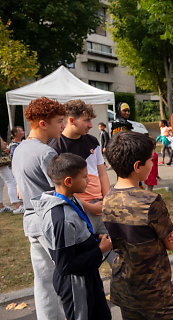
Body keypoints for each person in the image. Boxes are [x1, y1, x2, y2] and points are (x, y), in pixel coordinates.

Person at [103, 131, 173, 320]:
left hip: (124, 289)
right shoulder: (150, 201)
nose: (152, 164)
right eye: (150, 160)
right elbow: (171, 243)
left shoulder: (108, 198)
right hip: (155, 292)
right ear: (138, 166)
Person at [32, 153, 112, 320]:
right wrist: (99, 251)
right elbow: (65, 266)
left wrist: (95, 239)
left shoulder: (72, 200)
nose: (89, 181)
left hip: (88, 275)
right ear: (68, 181)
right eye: (84, 177)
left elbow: (77, 239)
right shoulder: (61, 219)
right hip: (76, 285)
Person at [11, 97, 66, 320]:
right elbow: (62, 190)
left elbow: (20, 190)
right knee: (66, 277)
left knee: (43, 280)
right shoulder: (46, 153)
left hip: (31, 221)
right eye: (59, 121)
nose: (62, 125)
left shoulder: (20, 149)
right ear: (43, 124)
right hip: (50, 222)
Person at [49, 100, 114, 266]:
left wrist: (106, 200)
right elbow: (59, 189)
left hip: (102, 207)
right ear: (71, 120)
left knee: (117, 255)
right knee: (89, 260)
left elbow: (102, 173)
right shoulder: (56, 147)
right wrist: (90, 207)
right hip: (79, 211)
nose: (91, 125)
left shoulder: (92, 141)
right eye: (86, 120)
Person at [0, 137, 24, 214]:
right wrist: (3, 143)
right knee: (11, 182)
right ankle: (16, 206)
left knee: (1, 183)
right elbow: (2, 145)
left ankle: (1, 206)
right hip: (1, 161)